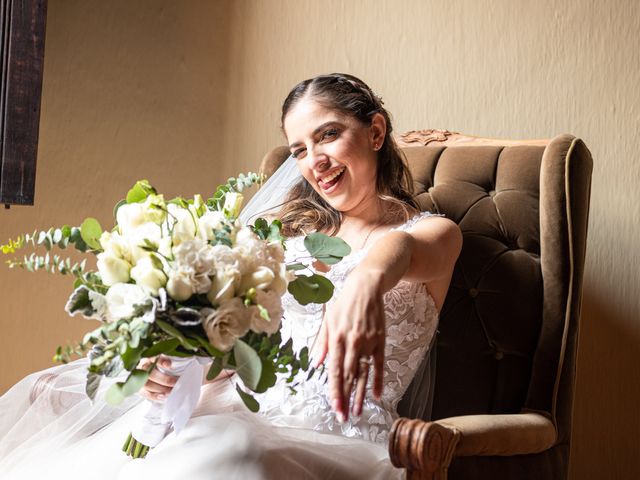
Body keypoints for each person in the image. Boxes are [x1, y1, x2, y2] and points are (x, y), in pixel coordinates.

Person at [0, 73, 461, 479]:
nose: (314, 161)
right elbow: (230, 356)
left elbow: (401, 251)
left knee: (230, 452)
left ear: (375, 131)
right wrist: (175, 366)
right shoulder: (278, 243)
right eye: (300, 149)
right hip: (235, 413)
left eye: (329, 135)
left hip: (341, 441)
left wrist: (365, 281)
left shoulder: (434, 233)